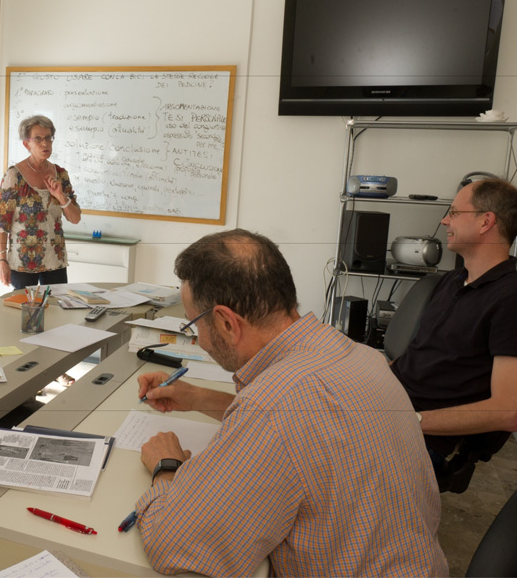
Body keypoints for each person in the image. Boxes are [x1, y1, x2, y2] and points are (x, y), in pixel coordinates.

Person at [134, 229, 447, 577]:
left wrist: (167, 468)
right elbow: (309, 429)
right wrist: (198, 398)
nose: (200, 340)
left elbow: (175, 544)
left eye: (195, 325)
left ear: (225, 322)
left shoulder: (274, 406)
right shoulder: (359, 355)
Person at [391, 178, 517, 485]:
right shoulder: (452, 280)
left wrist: (409, 422)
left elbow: (507, 410)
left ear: (486, 221)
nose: (444, 220)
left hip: (421, 432)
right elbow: (421, 357)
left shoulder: (510, 297)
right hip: (393, 404)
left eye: (454, 212)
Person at [0, 115, 81, 289]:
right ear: (27, 144)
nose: (45, 144)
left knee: (56, 312)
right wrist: (1, 261)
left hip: (55, 261)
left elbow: (75, 218)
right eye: (38, 139)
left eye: (48, 138)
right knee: (26, 313)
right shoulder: (14, 175)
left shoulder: (60, 174)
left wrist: (61, 196)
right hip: (23, 262)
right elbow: (2, 223)